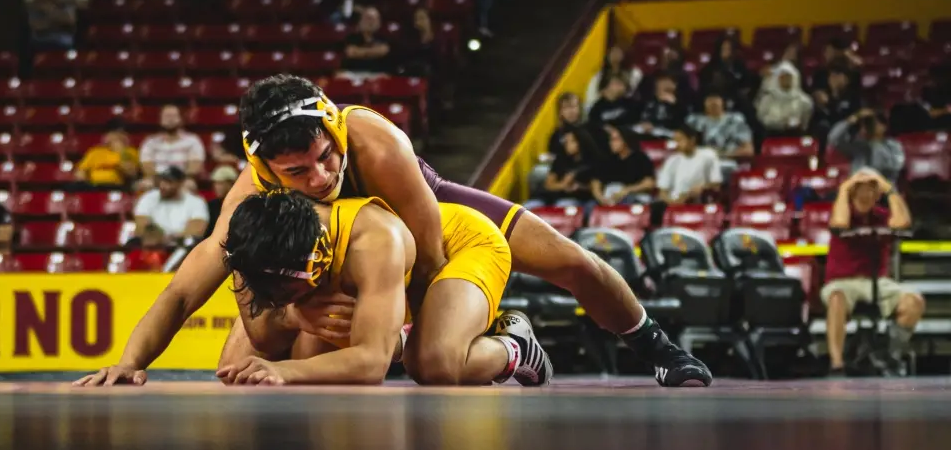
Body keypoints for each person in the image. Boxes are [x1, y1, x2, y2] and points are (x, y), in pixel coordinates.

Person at [78, 75, 711, 388]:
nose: (324, 175)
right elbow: (186, 289)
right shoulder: (251, 195)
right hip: (360, 250)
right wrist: (131, 362)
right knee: (248, 352)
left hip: (428, 221)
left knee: (572, 262)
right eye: (298, 172)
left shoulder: (376, 142)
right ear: (264, 166)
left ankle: (655, 346)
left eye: (328, 156)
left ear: (333, 128)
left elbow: (430, 249)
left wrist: (411, 329)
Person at [211, 191, 549, 386]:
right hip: (388, 278)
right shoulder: (247, 246)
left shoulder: (372, 242)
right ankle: (394, 336)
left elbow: (370, 366)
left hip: (460, 244)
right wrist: (291, 316)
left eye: (292, 290)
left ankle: (514, 347)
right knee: (254, 365)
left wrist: (282, 370)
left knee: (434, 364)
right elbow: (261, 335)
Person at [821, 169, 925, 375]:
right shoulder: (842, 211)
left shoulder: (881, 216)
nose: (866, 194)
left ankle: (890, 354)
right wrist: (844, 188)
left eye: (871, 190)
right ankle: (837, 363)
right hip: (842, 281)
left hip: (877, 281)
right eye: (861, 189)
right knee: (836, 299)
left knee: (914, 302)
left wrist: (888, 188)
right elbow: (840, 224)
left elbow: (902, 222)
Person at [132, 167, 210, 246]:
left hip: (182, 247)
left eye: (168, 182)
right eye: (161, 181)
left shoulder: (196, 201)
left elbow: (196, 230)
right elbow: (141, 226)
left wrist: (172, 238)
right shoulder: (148, 197)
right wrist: (159, 237)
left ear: (180, 183)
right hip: (154, 246)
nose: (162, 185)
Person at [827, 109, 906, 184]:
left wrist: (874, 142)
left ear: (884, 127)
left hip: (884, 190)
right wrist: (851, 120)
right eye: (865, 125)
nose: (867, 128)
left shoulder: (893, 145)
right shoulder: (858, 146)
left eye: (872, 124)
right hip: (858, 190)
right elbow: (834, 139)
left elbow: (894, 166)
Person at [591, 126, 658, 206]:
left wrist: (626, 190)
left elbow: (649, 184)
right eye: (610, 140)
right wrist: (600, 198)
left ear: (625, 141)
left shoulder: (641, 158)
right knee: (590, 206)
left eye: (615, 140)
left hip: (632, 196)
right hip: (609, 196)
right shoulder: (607, 159)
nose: (611, 143)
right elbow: (595, 182)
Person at [656, 126, 723, 205]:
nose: (676, 144)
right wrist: (673, 203)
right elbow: (662, 191)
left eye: (679, 140)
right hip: (674, 202)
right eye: (674, 140)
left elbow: (716, 184)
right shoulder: (671, 160)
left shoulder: (708, 155)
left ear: (692, 140)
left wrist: (702, 188)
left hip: (697, 201)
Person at [755, 62, 813, 136]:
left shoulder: (803, 100)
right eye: (782, 77)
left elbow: (805, 121)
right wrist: (781, 124)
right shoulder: (769, 97)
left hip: (795, 134)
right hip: (772, 134)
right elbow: (762, 119)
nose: (786, 80)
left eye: (788, 77)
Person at [584, 45, 643, 111]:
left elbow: (630, 93)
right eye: (612, 52)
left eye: (618, 52)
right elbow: (590, 100)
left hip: (623, 108)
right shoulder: (599, 76)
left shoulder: (632, 74)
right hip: (604, 110)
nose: (615, 55)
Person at [206, 165, 240, 238]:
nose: (216, 187)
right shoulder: (211, 205)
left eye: (220, 183)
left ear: (231, 183)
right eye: (215, 183)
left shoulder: (241, 204)